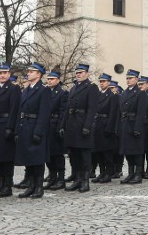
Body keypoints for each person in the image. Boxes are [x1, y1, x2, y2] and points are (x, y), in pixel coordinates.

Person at [15, 62, 52, 198]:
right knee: (28, 159)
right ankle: (31, 185)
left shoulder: (43, 90)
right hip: (25, 126)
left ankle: (38, 187)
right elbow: (20, 110)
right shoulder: (26, 90)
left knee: (37, 159)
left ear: (38, 74)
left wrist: (38, 131)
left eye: (31, 71)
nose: (28, 73)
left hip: (35, 127)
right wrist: (17, 129)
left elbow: (44, 113)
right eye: (28, 71)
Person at [60, 63, 98, 192]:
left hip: (82, 125)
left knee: (84, 155)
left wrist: (87, 126)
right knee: (74, 155)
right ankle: (77, 179)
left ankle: (85, 181)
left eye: (81, 72)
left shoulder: (91, 88)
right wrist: (63, 125)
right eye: (77, 72)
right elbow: (67, 109)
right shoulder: (73, 89)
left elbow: (92, 109)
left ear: (87, 74)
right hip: (72, 125)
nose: (79, 74)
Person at [0, 64, 21, 198]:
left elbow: (14, 109)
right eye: (0, 73)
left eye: (5, 73)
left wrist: (10, 127)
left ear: (9, 74)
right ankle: (0, 183)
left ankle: (7, 185)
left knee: (6, 158)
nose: (2, 75)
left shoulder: (13, 89)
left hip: (5, 124)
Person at [119, 70, 148, 184]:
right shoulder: (124, 93)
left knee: (136, 151)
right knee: (127, 151)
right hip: (125, 125)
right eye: (127, 78)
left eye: (131, 78)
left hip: (134, 125)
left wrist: (137, 128)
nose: (128, 80)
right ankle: (130, 173)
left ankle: (138, 174)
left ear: (136, 79)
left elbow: (141, 113)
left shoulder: (140, 93)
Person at [90, 73, 120, 184]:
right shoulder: (98, 95)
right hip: (97, 125)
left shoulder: (112, 96)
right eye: (100, 81)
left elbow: (113, 114)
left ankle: (108, 173)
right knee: (98, 152)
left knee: (107, 153)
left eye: (104, 81)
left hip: (106, 125)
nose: (102, 83)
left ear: (108, 82)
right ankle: (102, 172)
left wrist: (109, 128)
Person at [44, 70, 69, 190]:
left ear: (58, 80)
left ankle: (61, 178)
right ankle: (52, 177)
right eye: (48, 79)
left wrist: (60, 127)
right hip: (47, 125)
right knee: (48, 154)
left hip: (56, 125)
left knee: (58, 155)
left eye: (52, 79)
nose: (49, 81)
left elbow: (63, 112)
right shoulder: (46, 92)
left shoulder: (62, 93)